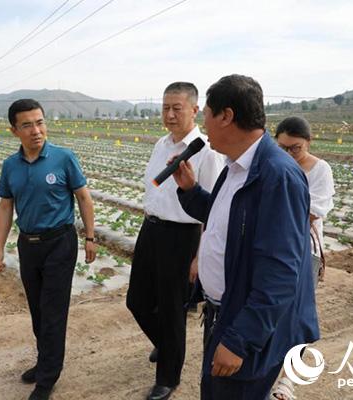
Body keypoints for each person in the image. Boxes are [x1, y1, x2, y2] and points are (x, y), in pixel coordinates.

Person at [172, 75, 319, 400]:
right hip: (225, 312)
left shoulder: (277, 175)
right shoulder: (236, 167)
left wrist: (241, 340)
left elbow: (281, 272)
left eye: (206, 114)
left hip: (248, 324)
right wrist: (191, 191)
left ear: (226, 116)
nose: (203, 125)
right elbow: (227, 219)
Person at [126, 82, 224, 400]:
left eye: (176, 108)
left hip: (182, 237)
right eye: (165, 108)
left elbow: (213, 210)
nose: (169, 114)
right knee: (137, 300)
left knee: (171, 311)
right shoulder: (161, 144)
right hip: (151, 229)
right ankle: (167, 344)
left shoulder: (206, 152)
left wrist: (199, 255)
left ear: (194, 110)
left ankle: (168, 378)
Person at [0, 99, 96, 400]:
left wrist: (90, 237)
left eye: (40, 122)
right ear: (14, 131)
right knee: (38, 310)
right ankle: (44, 361)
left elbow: (84, 198)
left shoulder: (63, 158)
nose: (36, 130)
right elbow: (5, 206)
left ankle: (48, 377)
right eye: (27, 125)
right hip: (28, 245)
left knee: (53, 312)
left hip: (60, 243)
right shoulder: (10, 166)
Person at [270, 116, 335, 399]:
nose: (288, 154)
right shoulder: (272, 165)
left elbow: (311, 211)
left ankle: (288, 380)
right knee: (270, 313)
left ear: (308, 142)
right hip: (272, 250)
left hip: (303, 251)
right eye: (282, 148)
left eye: (295, 148)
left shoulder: (320, 170)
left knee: (298, 317)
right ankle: (266, 373)